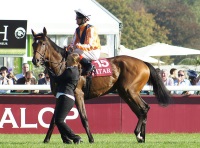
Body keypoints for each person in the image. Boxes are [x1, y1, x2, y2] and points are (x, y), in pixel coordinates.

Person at [50, 53, 82, 144]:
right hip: (64, 96)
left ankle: (75, 137)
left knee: (59, 120)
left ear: (73, 62)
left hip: (66, 97)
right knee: (58, 120)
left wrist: (50, 71)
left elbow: (58, 80)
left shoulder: (70, 71)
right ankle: (66, 140)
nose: (66, 61)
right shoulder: (72, 70)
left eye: (68, 60)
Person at [66, 9, 101, 75]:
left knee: (76, 52)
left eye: (78, 18)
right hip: (84, 51)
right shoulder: (77, 30)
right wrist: (69, 48)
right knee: (70, 52)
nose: (76, 19)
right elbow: (73, 43)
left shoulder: (91, 29)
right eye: (76, 17)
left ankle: (89, 66)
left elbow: (90, 45)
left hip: (94, 51)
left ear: (84, 19)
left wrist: (78, 46)